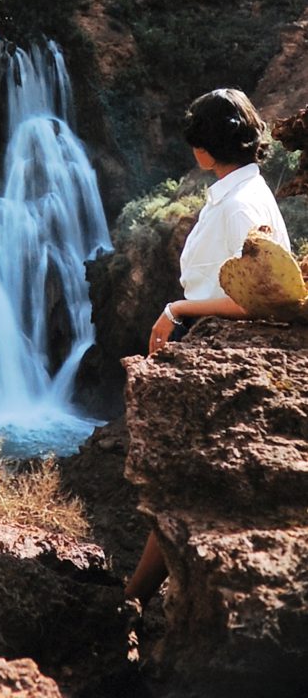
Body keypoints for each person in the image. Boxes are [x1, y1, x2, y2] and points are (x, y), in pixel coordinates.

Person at [124, 87, 289, 602]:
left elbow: (259, 298)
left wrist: (177, 310)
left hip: (222, 343)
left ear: (203, 150)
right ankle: (137, 599)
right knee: (180, 487)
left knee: (178, 487)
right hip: (214, 337)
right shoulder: (242, 192)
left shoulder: (238, 205)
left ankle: (131, 603)